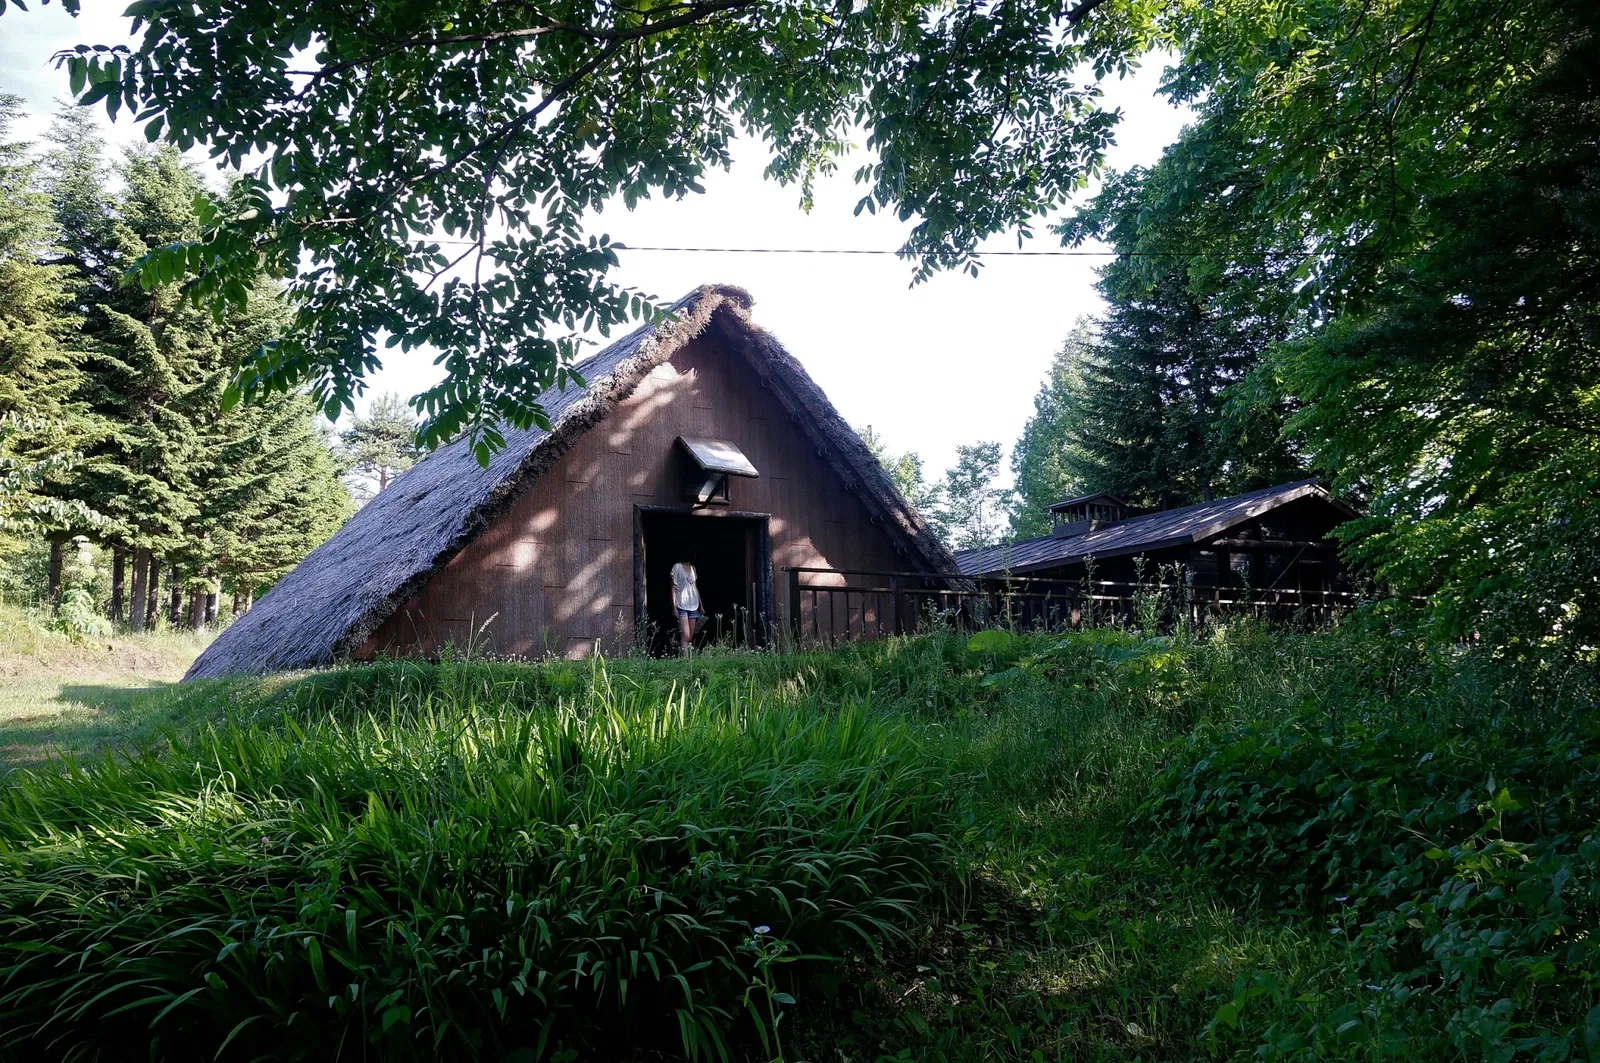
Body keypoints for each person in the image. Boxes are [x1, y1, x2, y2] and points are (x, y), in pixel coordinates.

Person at [670, 558, 704, 656]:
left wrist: (701, 605)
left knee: (690, 637)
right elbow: (673, 587)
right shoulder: (677, 567)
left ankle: (689, 659)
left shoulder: (693, 568)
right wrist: (674, 606)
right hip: (681, 604)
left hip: (693, 604)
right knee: (685, 635)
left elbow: (695, 587)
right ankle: (685, 660)